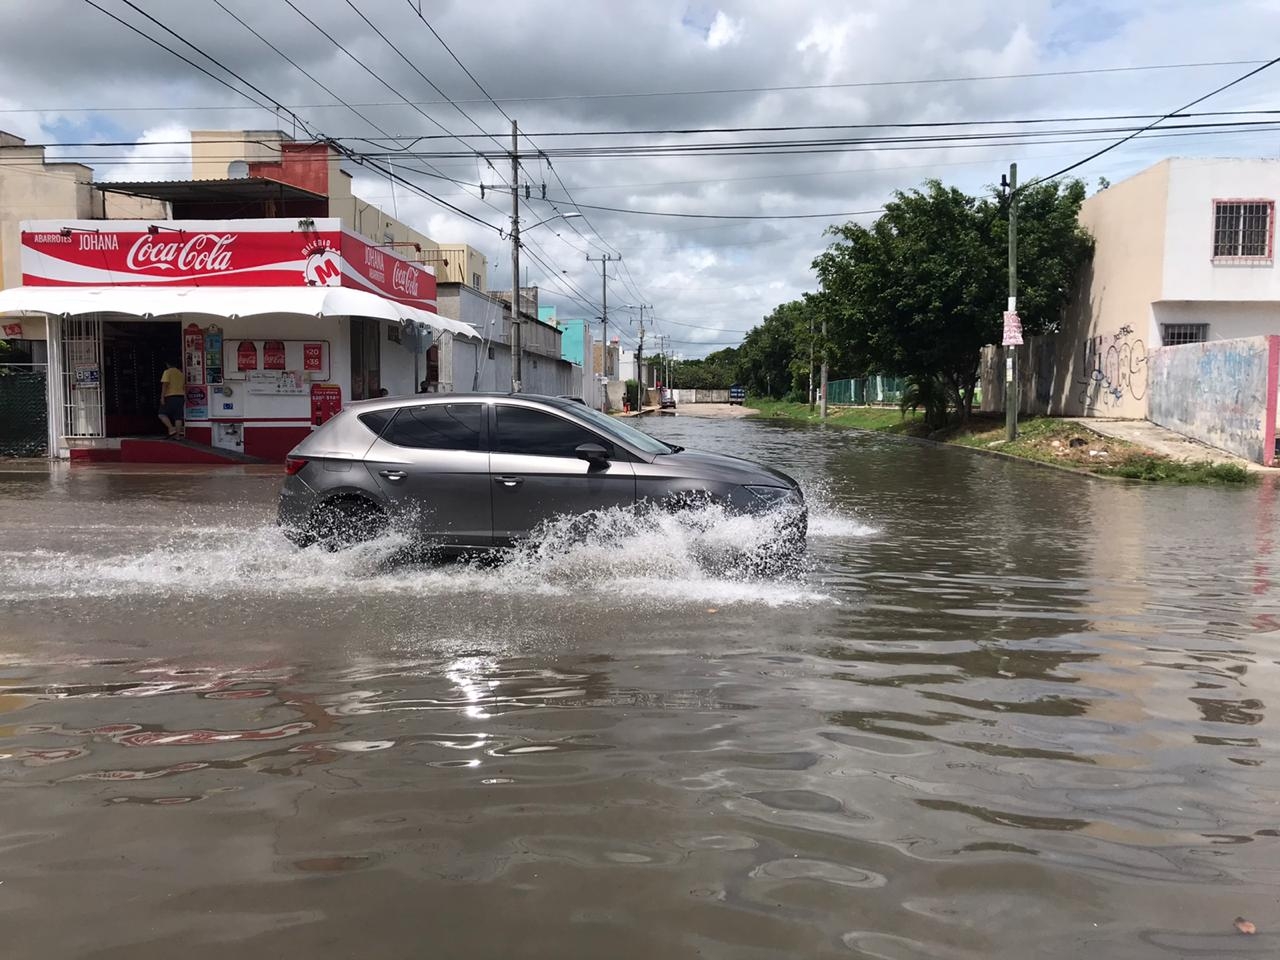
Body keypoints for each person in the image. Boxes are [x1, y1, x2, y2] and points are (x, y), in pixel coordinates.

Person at [158, 360, 186, 439]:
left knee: (161, 414)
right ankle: (177, 436)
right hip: (180, 397)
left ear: (167, 364)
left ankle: (171, 428)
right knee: (178, 417)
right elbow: (183, 386)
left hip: (170, 396)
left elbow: (165, 385)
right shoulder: (181, 373)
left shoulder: (167, 372)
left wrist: (162, 397)